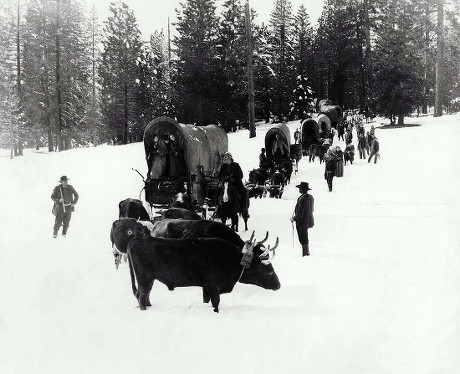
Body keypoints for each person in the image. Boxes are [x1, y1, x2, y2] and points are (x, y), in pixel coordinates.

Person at [218, 151, 248, 216]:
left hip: (236, 183)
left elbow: (241, 175)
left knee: (244, 192)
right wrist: (223, 178)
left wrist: (234, 179)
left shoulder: (236, 165)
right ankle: (218, 209)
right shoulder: (223, 166)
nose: (225, 159)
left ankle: (244, 209)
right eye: (225, 159)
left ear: (230, 158)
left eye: (226, 158)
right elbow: (220, 175)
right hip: (226, 183)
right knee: (218, 192)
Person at [290, 182, 314, 257]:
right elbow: (312, 209)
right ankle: (306, 253)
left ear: (302, 189)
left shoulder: (302, 199)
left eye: (300, 188)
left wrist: (293, 218)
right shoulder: (310, 197)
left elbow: (300, 213)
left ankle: (305, 254)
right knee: (305, 236)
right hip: (308, 220)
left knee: (302, 237)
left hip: (302, 221)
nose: (299, 190)